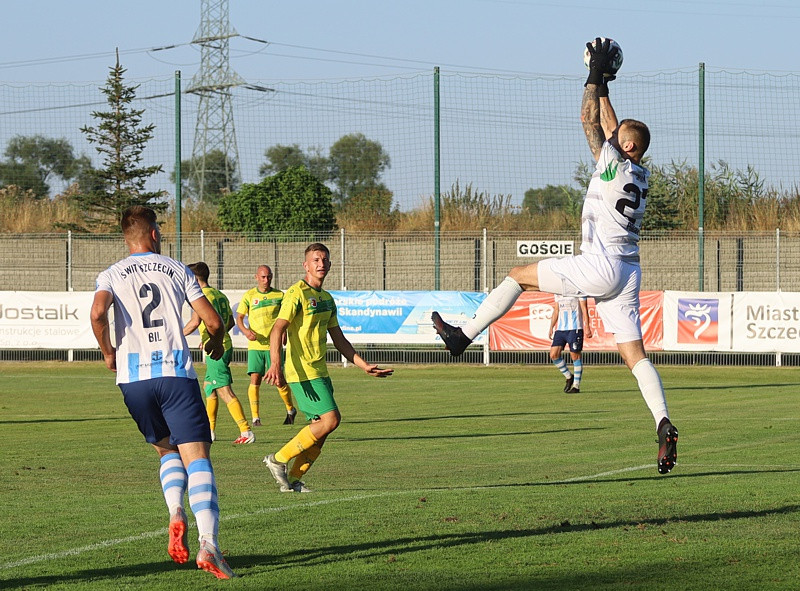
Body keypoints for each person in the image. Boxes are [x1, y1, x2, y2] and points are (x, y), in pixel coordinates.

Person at [432, 38, 679, 475]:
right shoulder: (637, 170)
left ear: (626, 147)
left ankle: (462, 336)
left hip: (600, 263)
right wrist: (606, 83)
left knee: (517, 275)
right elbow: (613, 126)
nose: (611, 137)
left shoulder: (612, 162)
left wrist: (593, 76)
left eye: (618, 138)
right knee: (635, 355)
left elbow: (589, 120)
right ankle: (663, 422)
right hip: (628, 270)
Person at [89, 205, 236, 579]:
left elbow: (97, 314)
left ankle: (175, 511)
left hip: (133, 381)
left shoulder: (111, 274)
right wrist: (216, 342)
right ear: (154, 234)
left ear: (127, 237)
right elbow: (213, 321)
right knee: (197, 457)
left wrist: (108, 352)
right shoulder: (177, 269)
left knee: (166, 449)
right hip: (174, 375)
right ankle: (209, 545)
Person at [262, 243, 394, 492]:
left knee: (320, 431)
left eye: (324, 260)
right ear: (306, 265)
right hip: (302, 372)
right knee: (331, 420)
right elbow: (277, 329)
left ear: (330, 264)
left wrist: (363, 365)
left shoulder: (327, 299)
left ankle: (293, 480)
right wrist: (276, 364)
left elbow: (339, 339)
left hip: (320, 371)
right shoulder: (297, 293)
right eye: (315, 260)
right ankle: (278, 459)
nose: (320, 264)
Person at [183, 261, 255, 445]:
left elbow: (194, 322)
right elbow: (229, 322)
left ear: (194, 278)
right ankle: (210, 431)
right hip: (222, 345)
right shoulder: (219, 294)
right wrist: (213, 337)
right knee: (209, 387)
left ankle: (246, 431)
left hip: (217, 350)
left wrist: (175, 336)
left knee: (224, 391)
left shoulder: (201, 296)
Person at [236, 264, 297, 426]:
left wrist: (284, 332)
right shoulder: (250, 295)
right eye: (263, 277)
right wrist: (246, 331)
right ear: (256, 277)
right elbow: (239, 318)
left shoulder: (279, 295)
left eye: (269, 277)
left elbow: (287, 316)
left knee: (278, 380)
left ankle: (290, 409)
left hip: (273, 346)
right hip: (256, 345)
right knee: (255, 378)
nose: (266, 280)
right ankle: (255, 418)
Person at [549, 295, 592, 393]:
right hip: (560, 329)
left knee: (575, 356)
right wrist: (551, 326)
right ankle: (569, 377)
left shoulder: (578, 290)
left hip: (575, 328)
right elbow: (556, 310)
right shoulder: (557, 292)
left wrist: (587, 327)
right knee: (553, 355)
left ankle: (576, 386)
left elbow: (584, 309)